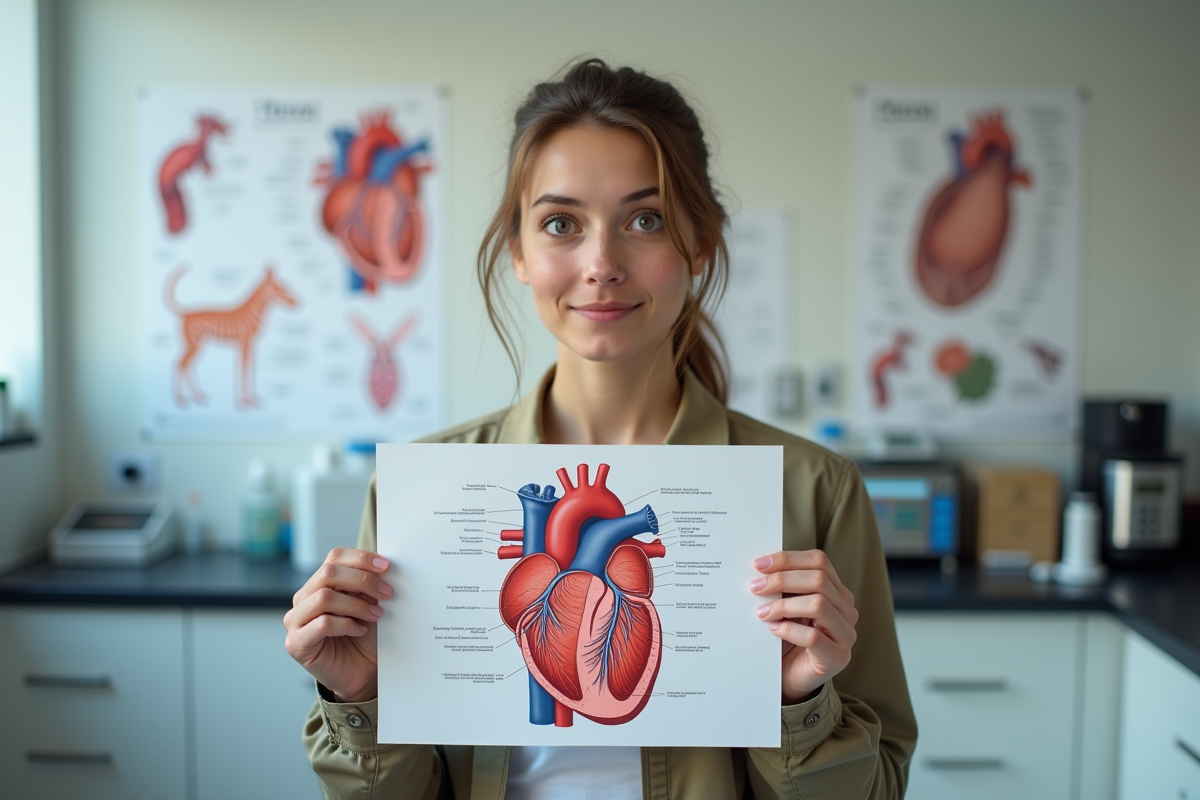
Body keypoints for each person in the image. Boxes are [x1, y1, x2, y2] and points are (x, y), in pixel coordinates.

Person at [284, 59, 917, 799]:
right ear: (519, 252)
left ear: (700, 243)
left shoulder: (814, 494)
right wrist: (362, 699)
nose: (601, 264)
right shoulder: (418, 494)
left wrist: (800, 701)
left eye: (644, 220)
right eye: (561, 224)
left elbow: (877, 790)